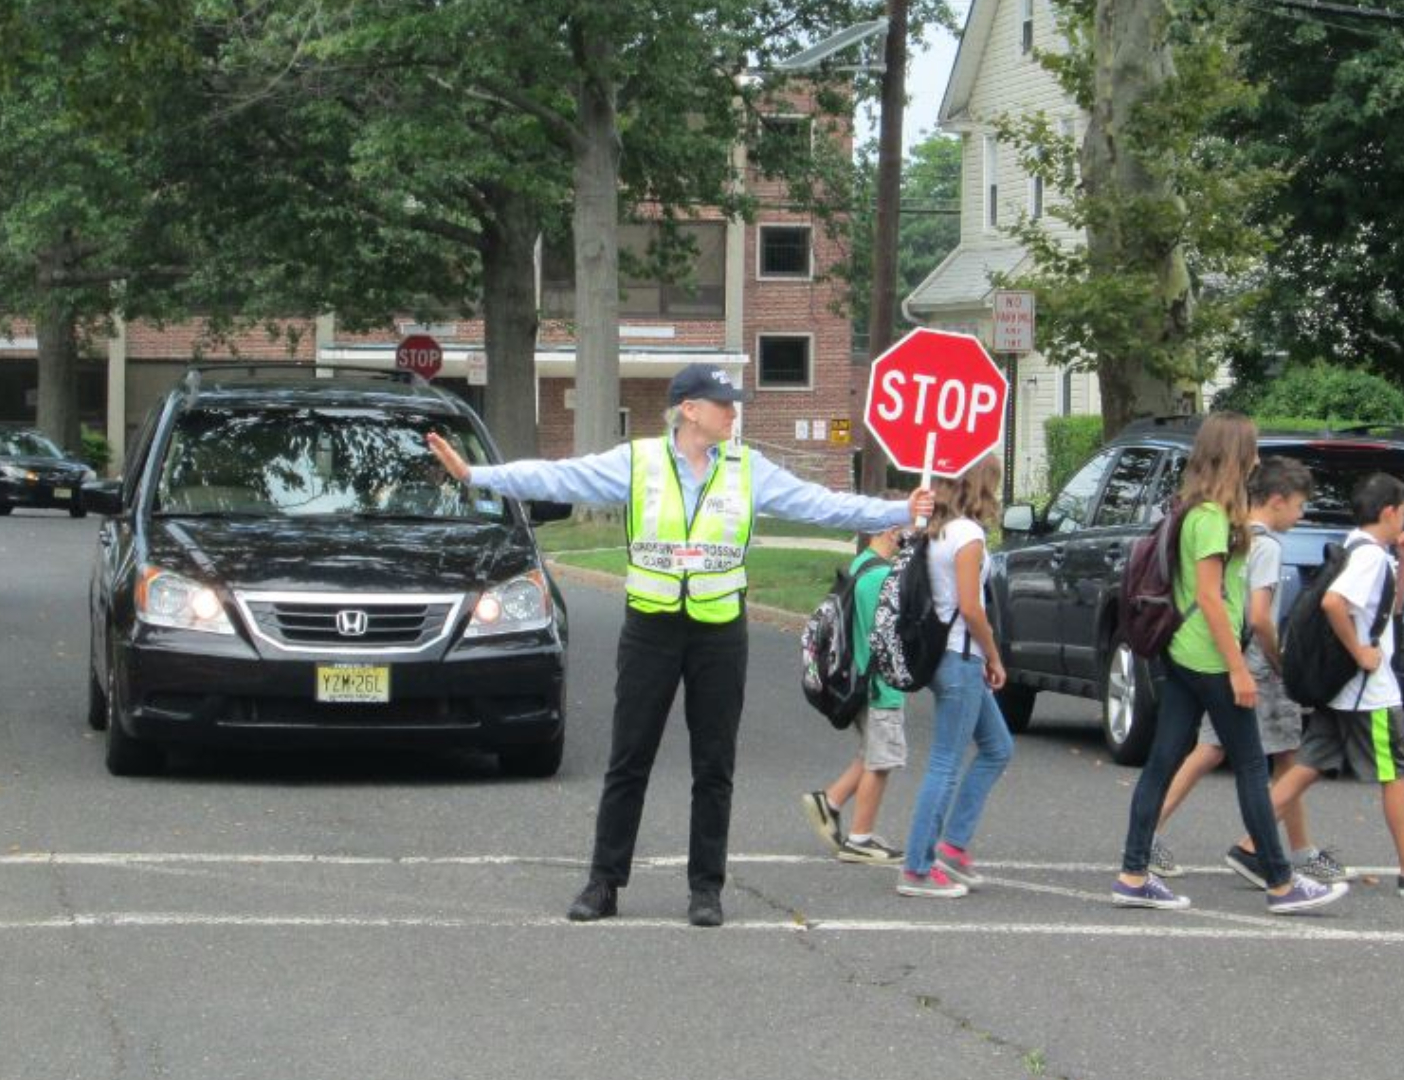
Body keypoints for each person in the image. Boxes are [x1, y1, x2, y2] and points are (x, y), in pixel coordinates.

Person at [425, 363, 932, 927]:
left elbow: (822, 504)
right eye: (723, 403)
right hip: (651, 629)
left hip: (720, 632)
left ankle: (706, 889)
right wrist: (475, 475)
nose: (733, 413)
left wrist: (899, 512)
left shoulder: (747, 468)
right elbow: (558, 477)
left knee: (714, 765)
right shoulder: (639, 461)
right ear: (690, 410)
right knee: (629, 760)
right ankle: (603, 883)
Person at [1110, 412, 1348, 915]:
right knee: (1251, 767)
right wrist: (1238, 668)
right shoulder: (1211, 518)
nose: (1258, 459)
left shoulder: (1194, 509)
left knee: (1163, 761)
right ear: (1235, 455)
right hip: (1211, 657)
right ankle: (1281, 882)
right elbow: (1210, 597)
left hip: (1185, 651)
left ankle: (1133, 873)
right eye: (1252, 449)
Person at [1266, 472, 1404, 899]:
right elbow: (1334, 602)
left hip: (1343, 691)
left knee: (1308, 764)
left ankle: (1252, 844)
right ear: (1390, 512)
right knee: (1395, 772)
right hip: (1368, 693)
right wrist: (1360, 652)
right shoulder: (1370, 558)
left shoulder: (1361, 547)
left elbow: (1385, 609)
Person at [897, 456, 1014, 899]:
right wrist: (994, 655)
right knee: (945, 763)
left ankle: (953, 846)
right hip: (961, 657)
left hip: (942, 655)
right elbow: (971, 607)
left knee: (998, 747)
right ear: (981, 483)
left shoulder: (937, 529)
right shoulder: (967, 534)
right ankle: (917, 868)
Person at [802, 520, 910, 865]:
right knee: (881, 762)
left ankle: (830, 802)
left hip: (859, 680)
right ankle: (861, 838)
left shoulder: (862, 564)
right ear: (891, 530)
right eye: (907, 527)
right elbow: (889, 635)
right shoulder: (881, 577)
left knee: (870, 753)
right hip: (879, 684)